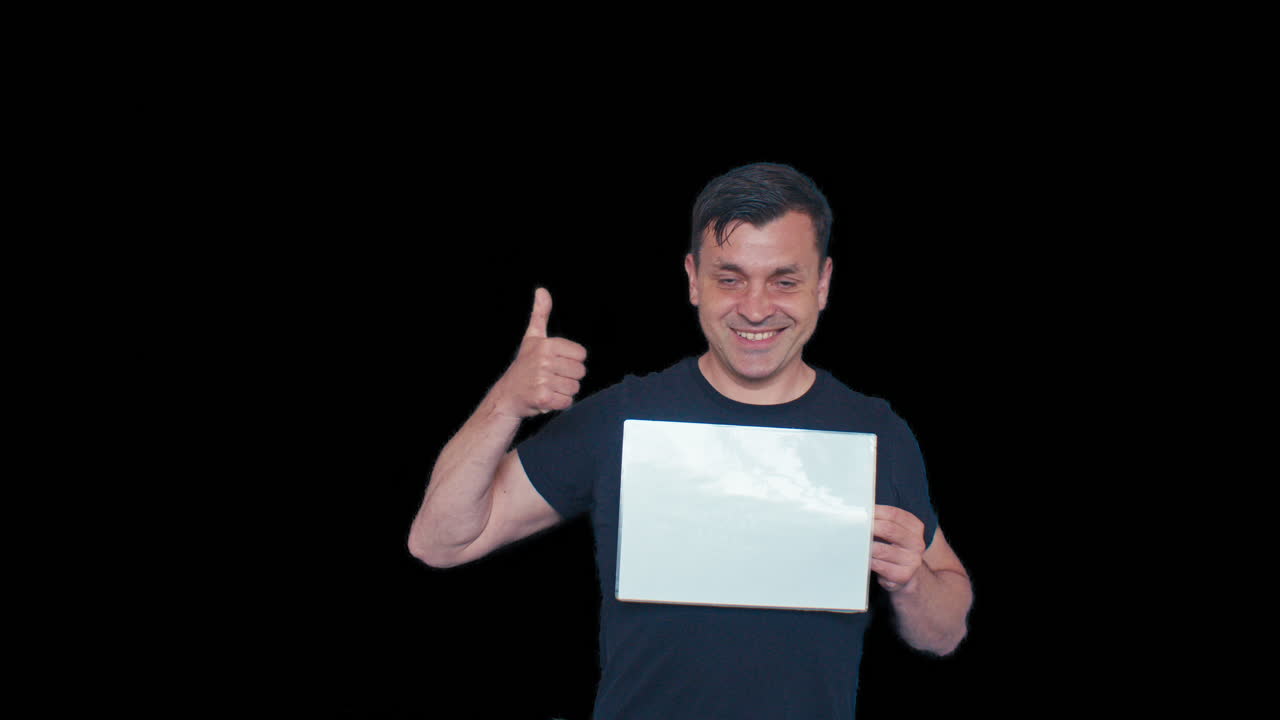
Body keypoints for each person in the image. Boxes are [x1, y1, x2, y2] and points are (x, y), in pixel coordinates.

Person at [408, 162, 973, 718]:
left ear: (822, 285)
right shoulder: (623, 419)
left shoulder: (875, 431)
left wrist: (910, 581)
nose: (755, 308)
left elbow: (945, 632)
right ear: (691, 280)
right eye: (729, 278)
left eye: (784, 280)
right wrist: (507, 401)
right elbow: (440, 541)